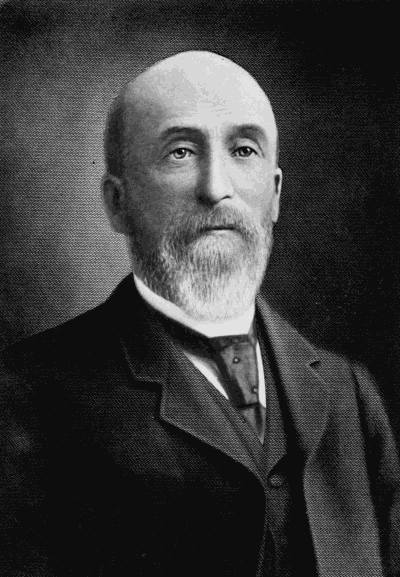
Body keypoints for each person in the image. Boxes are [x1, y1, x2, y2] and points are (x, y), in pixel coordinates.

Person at [1, 50, 399, 577]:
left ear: (275, 195)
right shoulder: (24, 396)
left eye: (244, 150)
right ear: (118, 203)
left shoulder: (350, 395)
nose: (216, 188)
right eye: (182, 152)